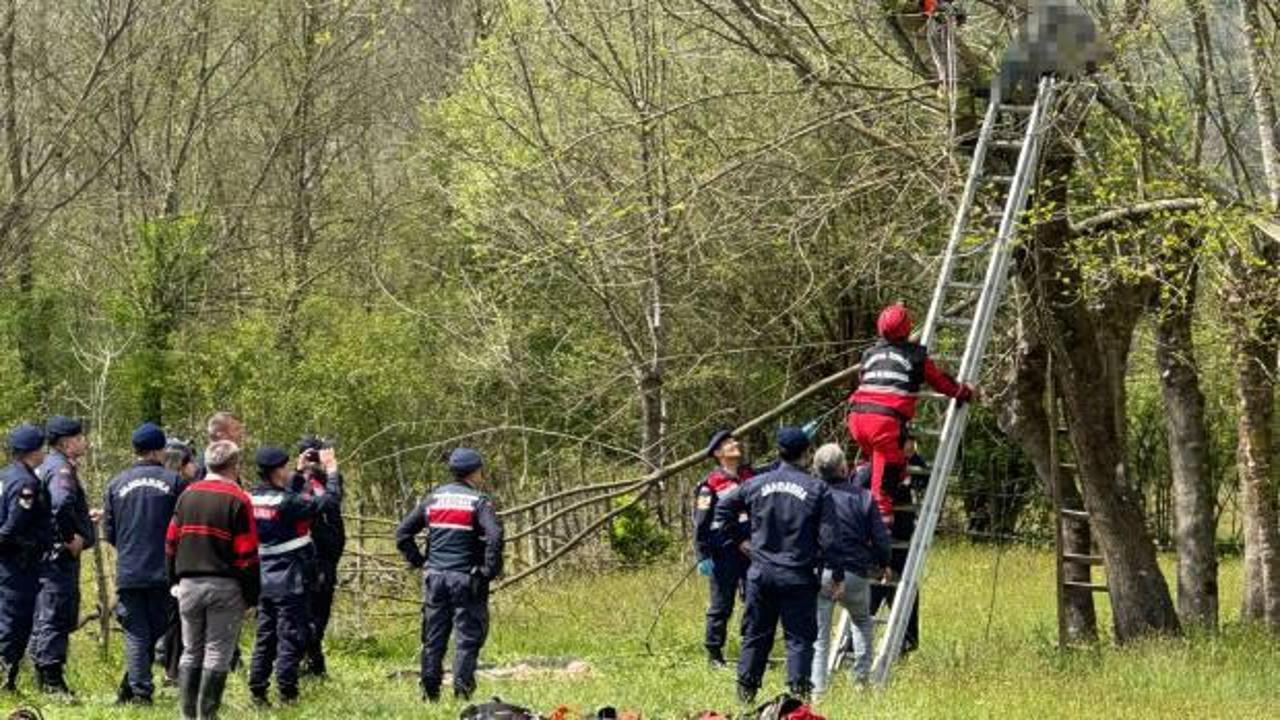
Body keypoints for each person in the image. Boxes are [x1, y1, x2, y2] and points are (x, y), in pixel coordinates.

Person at [713, 427, 835, 703]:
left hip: (761, 574)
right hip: (798, 575)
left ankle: (745, 697)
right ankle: (797, 701)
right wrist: (833, 571)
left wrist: (740, 541)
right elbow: (829, 538)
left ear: (778, 452)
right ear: (806, 454)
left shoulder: (755, 484)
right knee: (799, 640)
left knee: (756, 635)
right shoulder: (817, 488)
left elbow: (722, 510)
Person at [847, 303, 974, 527]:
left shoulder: (869, 354)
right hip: (884, 424)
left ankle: (857, 496)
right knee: (885, 489)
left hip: (857, 419)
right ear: (907, 328)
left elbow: (866, 381)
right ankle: (880, 544)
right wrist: (963, 392)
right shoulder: (916, 357)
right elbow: (941, 382)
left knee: (875, 465)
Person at [395, 448, 504, 703]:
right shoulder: (479, 501)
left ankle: (430, 692)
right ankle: (462, 692)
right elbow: (495, 536)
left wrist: (420, 561)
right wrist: (489, 570)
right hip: (466, 579)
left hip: (436, 579)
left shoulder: (433, 499)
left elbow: (403, 533)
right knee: (467, 638)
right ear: (475, 471)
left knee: (433, 637)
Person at [166, 440, 259, 720]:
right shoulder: (239, 499)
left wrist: (174, 580)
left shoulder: (187, 495)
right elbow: (247, 554)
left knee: (191, 650)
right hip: (225, 585)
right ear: (235, 465)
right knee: (217, 651)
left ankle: (187, 715)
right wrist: (252, 594)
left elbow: (170, 542)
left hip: (188, 584)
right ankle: (207, 715)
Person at [248, 445, 341, 706]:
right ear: (278, 471)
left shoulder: (251, 497)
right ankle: (287, 692)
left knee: (265, 636)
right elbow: (327, 501)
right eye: (286, 468)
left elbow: (289, 496)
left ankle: (257, 689)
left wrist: (299, 472)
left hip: (263, 577)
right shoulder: (288, 502)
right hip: (289, 578)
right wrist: (332, 470)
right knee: (291, 635)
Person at [103, 423, 187, 705]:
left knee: (137, 631)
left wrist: (129, 550)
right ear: (159, 450)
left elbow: (110, 532)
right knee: (152, 630)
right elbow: (183, 527)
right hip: (163, 570)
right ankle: (140, 691)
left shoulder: (115, 484)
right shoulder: (174, 483)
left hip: (129, 570)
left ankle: (134, 688)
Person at [809, 444, 891, 693]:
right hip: (855, 571)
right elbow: (881, 538)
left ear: (817, 469)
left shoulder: (812, 495)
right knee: (862, 622)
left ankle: (818, 690)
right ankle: (860, 682)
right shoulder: (863, 497)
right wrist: (883, 564)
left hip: (821, 572)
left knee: (820, 637)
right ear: (844, 467)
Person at [30, 416, 95, 697]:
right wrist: (71, 538)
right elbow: (60, 504)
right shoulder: (60, 470)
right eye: (80, 438)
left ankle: (44, 677)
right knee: (55, 614)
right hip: (58, 560)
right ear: (67, 443)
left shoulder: (48, 466)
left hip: (45, 557)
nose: (85, 442)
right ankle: (52, 683)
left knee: (47, 613)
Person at [692, 428, 755, 669]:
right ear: (718, 453)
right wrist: (702, 555)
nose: (735, 444)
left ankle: (751, 648)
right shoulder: (710, 485)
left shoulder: (749, 475)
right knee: (721, 605)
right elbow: (701, 522)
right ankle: (714, 654)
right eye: (729, 443)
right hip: (724, 551)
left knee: (754, 601)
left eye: (735, 440)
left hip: (751, 551)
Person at [0, 424, 53, 692]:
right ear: (34, 451)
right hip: (18, 562)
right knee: (14, 622)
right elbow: (14, 524)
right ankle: (5, 681)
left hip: (9, 563)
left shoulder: (5, 476)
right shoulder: (26, 483)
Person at [867, 436, 929, 653]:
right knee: (874, 591)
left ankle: (908, 641)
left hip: (902, 538)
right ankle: (854, 642)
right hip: (880, 538)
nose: (910, 449)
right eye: (906, 445)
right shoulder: (879, 465)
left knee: (905, 589)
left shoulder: (913, 465)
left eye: (912, 445)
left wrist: (913, 460)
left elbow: (924, 478)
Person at [293, 435, 345, 678]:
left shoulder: (327, 481)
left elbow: (336, 495)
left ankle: (312, 661)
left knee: (320, 613)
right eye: (309, 455)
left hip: (327, 556)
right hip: (307, 558)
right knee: (307, 613)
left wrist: (329, 469)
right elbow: (330, 503)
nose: (313, 460)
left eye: (317, 455)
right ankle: (305, 663)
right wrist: (300, 471)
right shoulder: (296, 485)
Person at [158, 439, 198, 686]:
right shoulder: (182, 488)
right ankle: (173, 669)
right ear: (183, 464)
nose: (196, 466)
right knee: (177, 617)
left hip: (152, 557)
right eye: (191, 461)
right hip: (176, 557)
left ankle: (168, 666)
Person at [195, 412, 244, 480]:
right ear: (221, 435)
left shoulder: (229, 458)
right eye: (236, 429)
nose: (241, 433)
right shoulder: (205, 462)